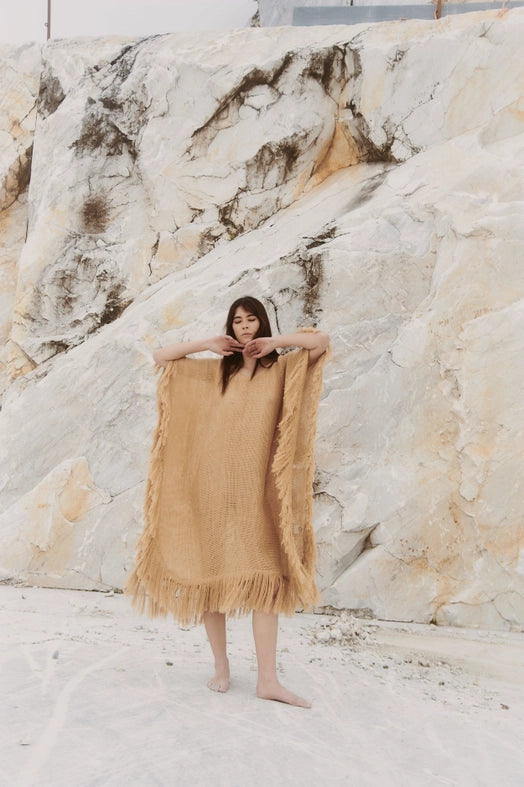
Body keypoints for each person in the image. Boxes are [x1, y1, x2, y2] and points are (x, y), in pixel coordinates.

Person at [127, 296, 330, 708]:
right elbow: (161, 356)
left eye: (251, 319)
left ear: (262, 323)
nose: (245, 326)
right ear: (230, 327)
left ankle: (268, 680)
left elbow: (321, 341)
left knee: (266, 581)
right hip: (210, 489)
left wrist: (276, 343)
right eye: (237, 321)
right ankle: (221, 667)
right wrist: (206, 344)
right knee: (210, 575)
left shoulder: (282, 369)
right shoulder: (216, 371)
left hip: (257, 494)